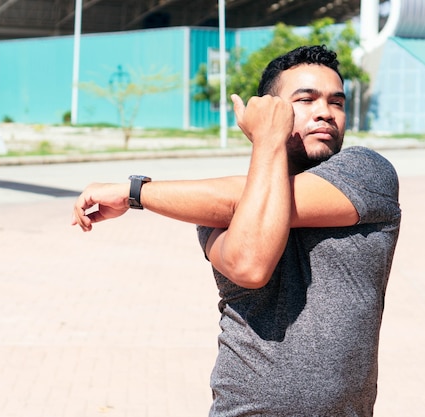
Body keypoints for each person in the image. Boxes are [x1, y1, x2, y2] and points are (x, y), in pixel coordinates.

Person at [72, 45, 401, 416]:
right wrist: (269, 139)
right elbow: (250, 265)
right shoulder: (210, 208)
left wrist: (136, 193)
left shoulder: (367, 173)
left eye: (336, 103)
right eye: (305, 100)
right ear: (266, 112)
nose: (325, 112)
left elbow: (236, 198)